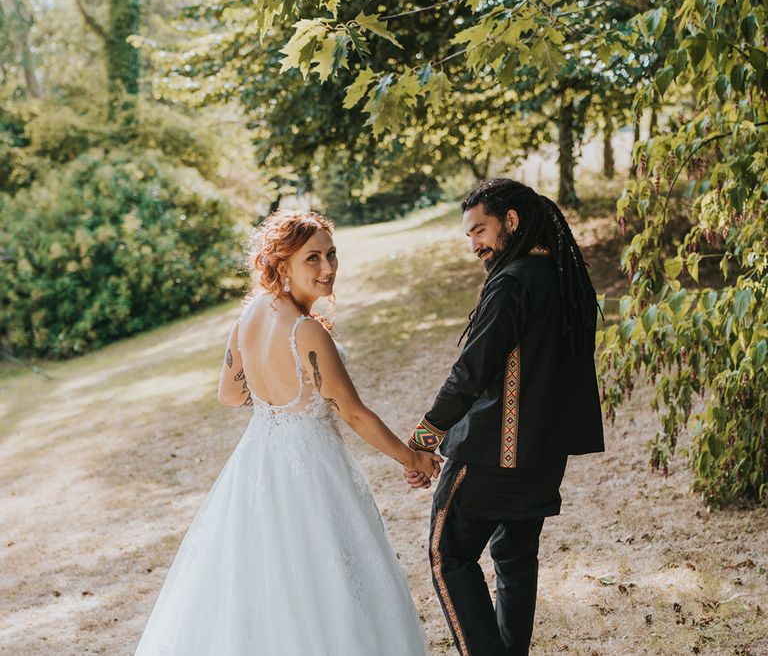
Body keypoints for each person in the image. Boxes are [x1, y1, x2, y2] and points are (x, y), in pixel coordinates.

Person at [134, 209, 440, 656]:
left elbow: (229, 394)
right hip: (311, 467)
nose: (329, 268)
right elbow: (353, 414)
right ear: (282, 265)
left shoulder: (247, 319)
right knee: (328, 573)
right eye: (312, 259)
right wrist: (413, 459)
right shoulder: (307, 331)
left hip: (259, 459)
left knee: (268, 577)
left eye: (332, 255)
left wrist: (273, 401)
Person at [404, 179, 605, 656]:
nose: (474, 245)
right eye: (469, 236)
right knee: (515, 559)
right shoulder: (560, 276)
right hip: (543, 456)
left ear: (511, 221)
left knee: (448, 555)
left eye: (480, 231)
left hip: (494, 455)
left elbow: (471, 371)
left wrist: (424, 436)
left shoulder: (513, 282)